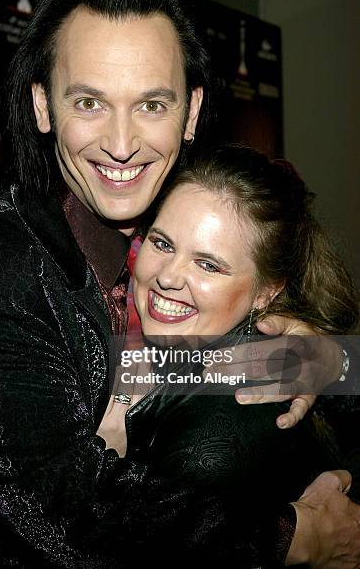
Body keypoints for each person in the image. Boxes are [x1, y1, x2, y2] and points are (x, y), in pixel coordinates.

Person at [0, 0, 359, 568]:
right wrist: (294, 538)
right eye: (89, 102)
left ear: (190, 113)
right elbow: (65, 510)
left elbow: (171, 363)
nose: (121, 143)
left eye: (151, 104)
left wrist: (322, 360)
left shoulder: (175, 220)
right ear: (42, 107)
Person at [99, 142, 360, 565]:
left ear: (267, 291)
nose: (167, 277)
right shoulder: (160, 347)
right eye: (163, 244)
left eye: (208, 265)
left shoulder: (212, 438)